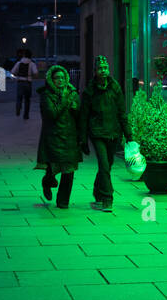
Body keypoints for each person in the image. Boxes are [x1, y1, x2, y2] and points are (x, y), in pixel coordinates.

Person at [78, 56, 132, 213]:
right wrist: (83, 140)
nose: (104, 70)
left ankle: (97, 190)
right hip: (97, 133)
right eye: (100, 68)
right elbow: (83, 116)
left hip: (114, 133)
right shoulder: (90, 91)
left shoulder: (115, 88)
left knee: (107, 165)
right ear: (95, 71)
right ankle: (107, 198)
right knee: (104, 165)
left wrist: (129, 135)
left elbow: (122, 113)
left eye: (106, 68)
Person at [34, 64, 82, 208]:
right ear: (51, 79)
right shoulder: (46, 95)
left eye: (62, 77)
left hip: (70, 137)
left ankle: (63, 201)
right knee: (52, 168)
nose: (60, 80)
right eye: (57, 78)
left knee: (69, 170)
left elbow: (80, 114)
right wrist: (66, 101)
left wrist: (76, 109)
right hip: (53, 137)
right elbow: (52, 114)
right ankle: (47, 182)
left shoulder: (73, 93)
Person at [11, 48, 38, 119]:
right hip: (28, 82)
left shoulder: (18, 63)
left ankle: (18, 108)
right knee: (27, 99)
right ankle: (26, 115)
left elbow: (13, 72)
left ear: (23, 55)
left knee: (19, 97)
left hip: (20, 82)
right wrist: (31, 76)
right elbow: (35, 73)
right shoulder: (32, 64)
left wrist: (17, 75)